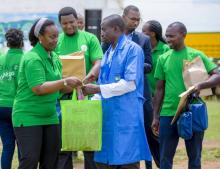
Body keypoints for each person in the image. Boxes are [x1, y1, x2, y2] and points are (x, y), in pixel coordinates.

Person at [82, 14, 152, 169]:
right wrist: (88, 99)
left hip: (126, 117)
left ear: (116, 29)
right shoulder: (108, 53)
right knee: (104, 161)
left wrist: (98, 88)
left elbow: (129, 84)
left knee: (127, 160)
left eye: (103, 29)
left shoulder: (133, 50)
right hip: (108, 116)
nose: (101, 33)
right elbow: (104, 85)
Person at [12, 18, 82, 169]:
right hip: (28, 116)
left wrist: (77, 86)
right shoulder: (32, 58)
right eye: (52, 37)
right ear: (40, 37)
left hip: (50, 116)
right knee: (30, 160)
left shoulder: (54, 57)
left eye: (57, 36)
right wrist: (65, 81)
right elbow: (38, 88)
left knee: (51, 161)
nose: (56, 40)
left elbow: (59, 88)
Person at [152, 22, 220, 169]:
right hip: (168, 113)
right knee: (165, 158)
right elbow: (159, 90)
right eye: (167, 36)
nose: (168, 39)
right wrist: (156, 116)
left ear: (183, 35)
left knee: (194, 157)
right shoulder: (163, 58)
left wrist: (200, 85)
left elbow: (217, 75)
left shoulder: (196, 55)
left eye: (172, 36)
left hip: (192, 111)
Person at [55, 7, 103, 169]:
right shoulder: (57, 41)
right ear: (60, 24)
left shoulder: (90, 38)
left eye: (71, 22)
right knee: (64, 145)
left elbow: (98, 62)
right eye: (64, 23)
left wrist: (89, 77)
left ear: (78, 21)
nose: (68, 26)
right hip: (63, 99)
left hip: (87, 97)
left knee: (90, 146)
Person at [122, 5, 154, 169]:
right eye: (132, 19)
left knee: (147, 131)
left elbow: (149, 66)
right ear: (123, 17)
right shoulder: (111, 37)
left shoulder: (143, 39)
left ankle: (149, 165)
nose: (135, 22)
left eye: (137, 20)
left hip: (140, 92)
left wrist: (132, 65)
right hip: (119, 95)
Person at [141, 20, 170, 168]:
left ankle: (161, 164)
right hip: (145, 98)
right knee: (146, 135)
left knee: (156, 135)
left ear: (152, 33)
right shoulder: (141, 48)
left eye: (144, 31)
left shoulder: (165, 49)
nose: (141, 33)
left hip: (160, 99)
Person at [0, 28, 24, 169]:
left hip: (1, 107)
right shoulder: (25, 58)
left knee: (8, 145)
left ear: (7, 43)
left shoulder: (1, 58)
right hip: (18, 107)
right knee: (22, 145)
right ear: (22, 42)